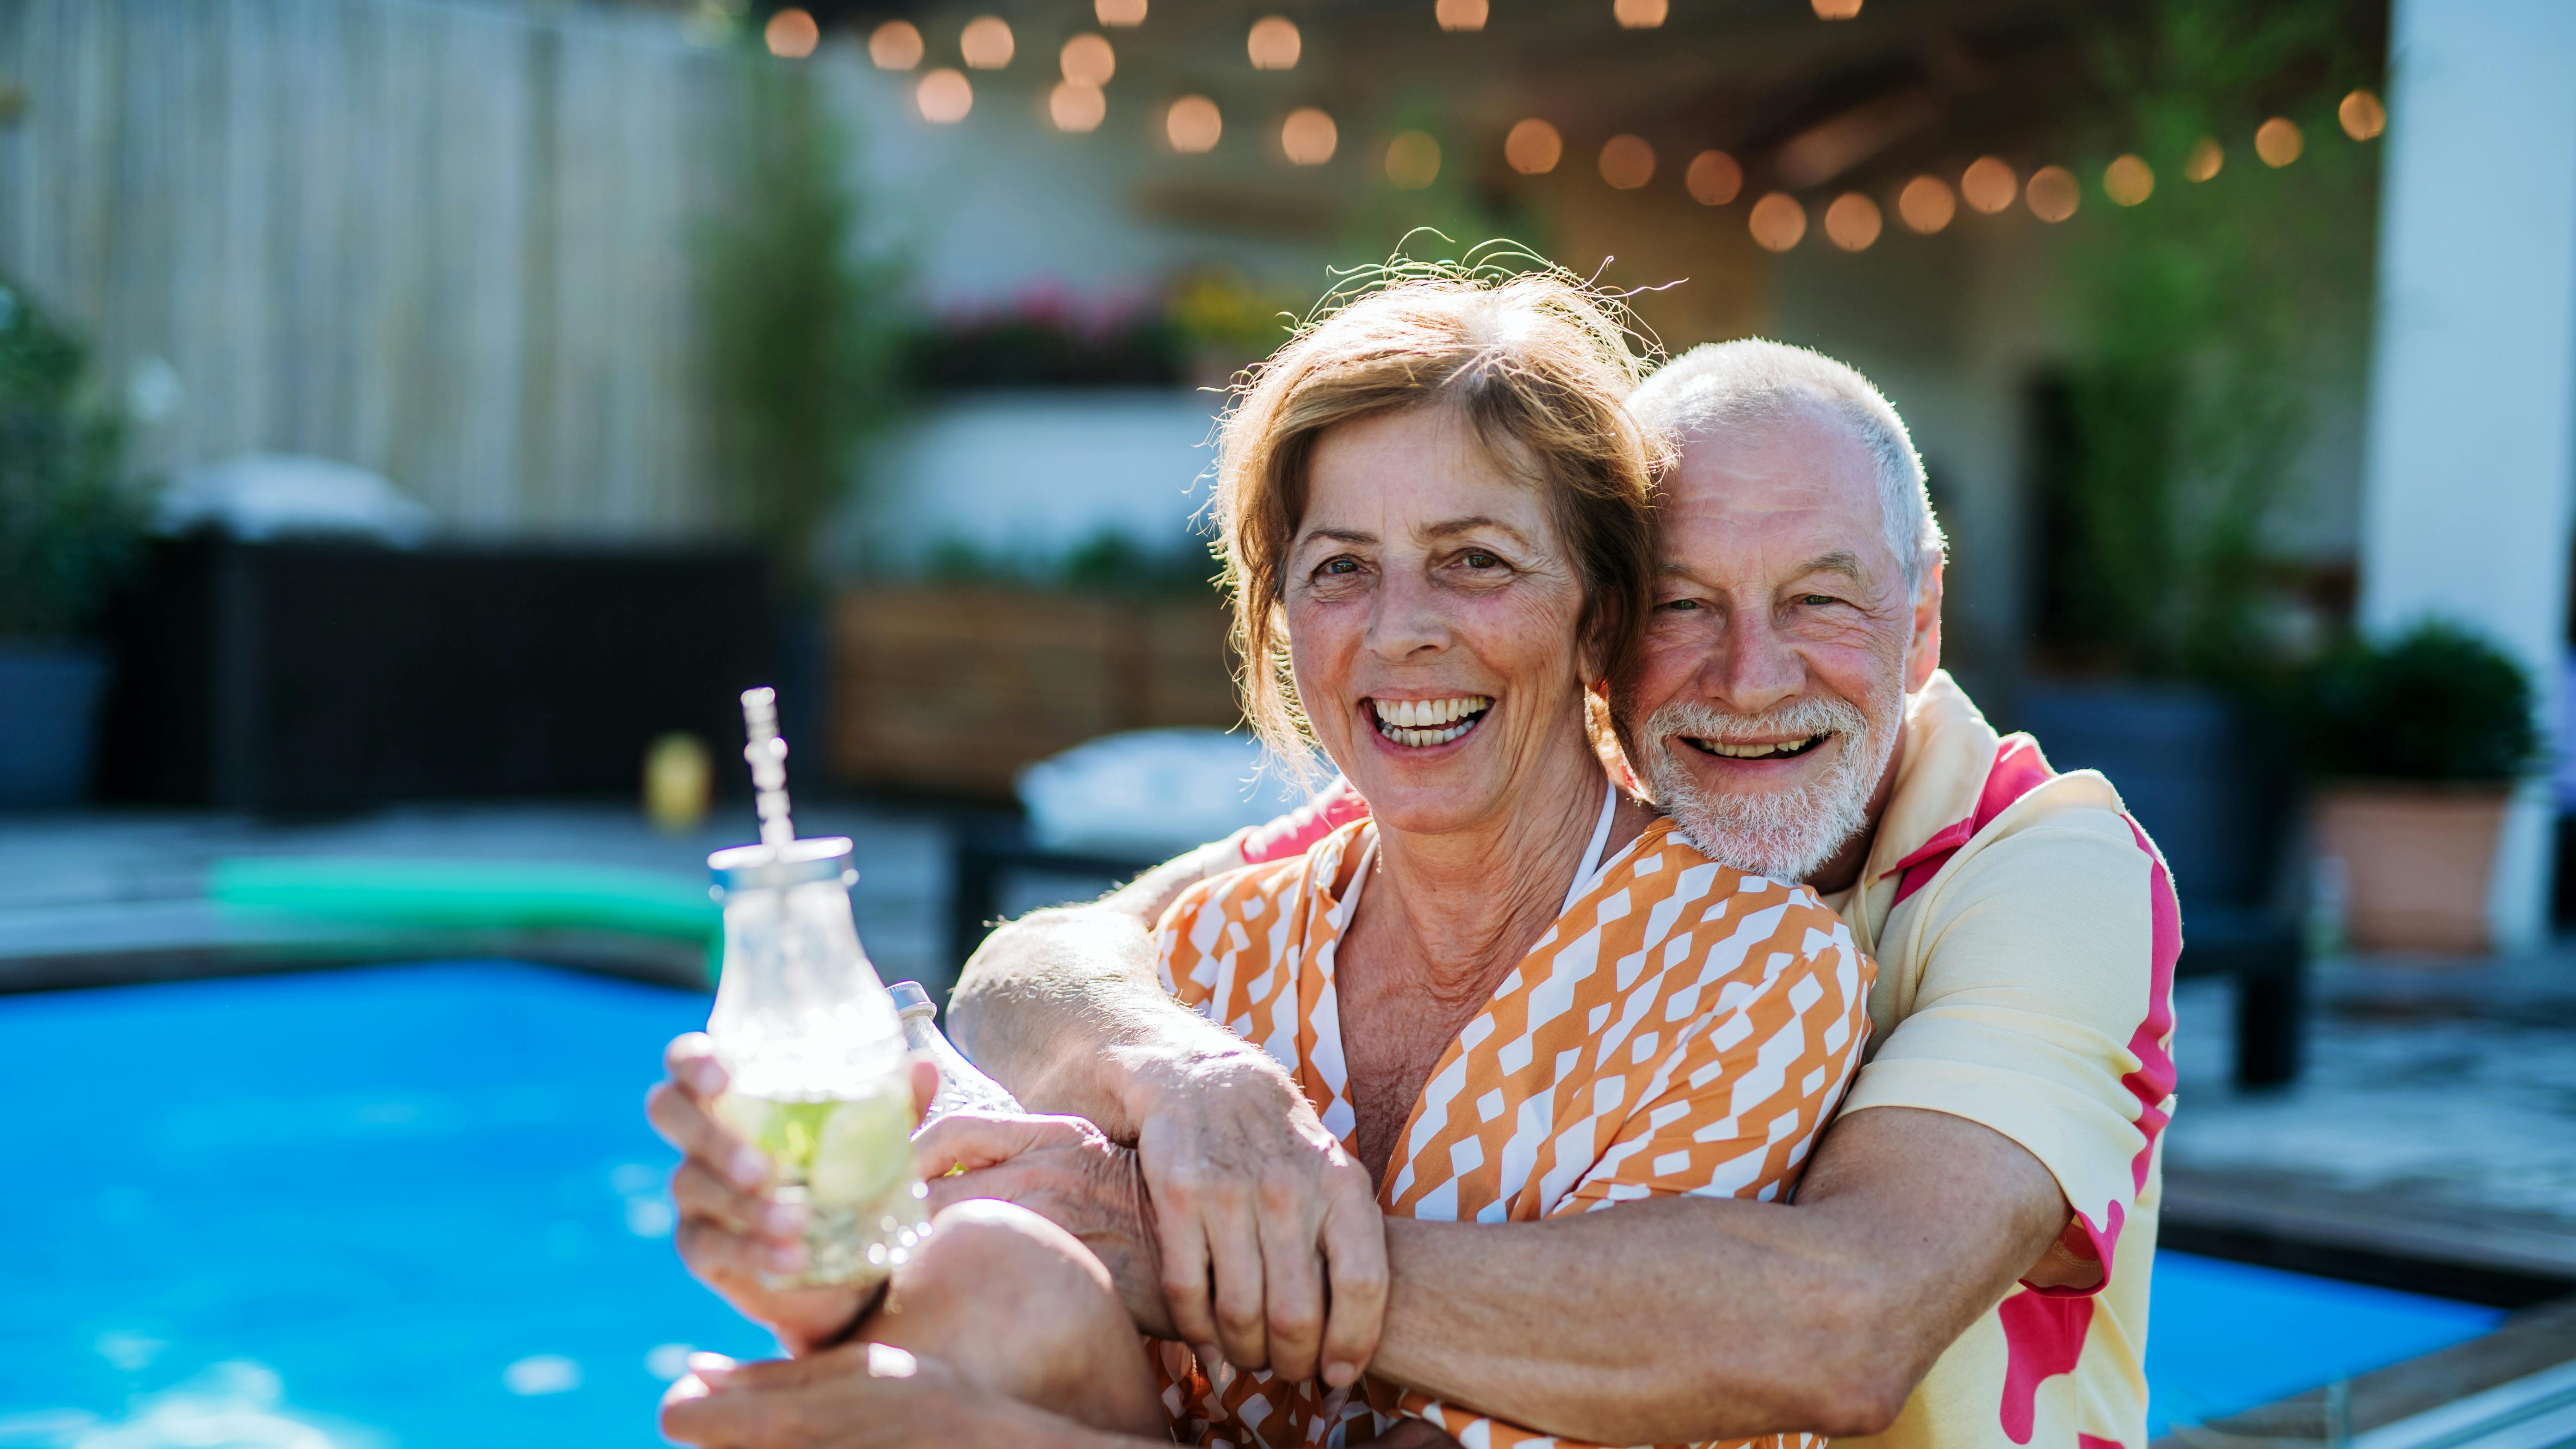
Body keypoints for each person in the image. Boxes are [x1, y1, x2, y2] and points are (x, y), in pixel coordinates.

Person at [648, 275, 1876, 1449]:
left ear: (1597, 614)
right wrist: (819, 1287)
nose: (1402, 630)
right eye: (1343, 568)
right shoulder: (1212, 960)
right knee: (986, 1276)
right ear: (1285, 619)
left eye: (1477, 560)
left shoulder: (1745, 977)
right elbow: (970, 1216)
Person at [938, 339, 2180, 1449]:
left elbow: (1844, 1323)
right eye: (1688, 603)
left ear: (1922, 622)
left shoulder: (2046, 868)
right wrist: (1177, 1068)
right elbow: (1044, 962)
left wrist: (1196, 1252)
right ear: (1611, 627)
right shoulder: (1444, 815)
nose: (1750, 678)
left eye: (1821, 598)